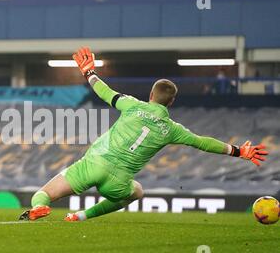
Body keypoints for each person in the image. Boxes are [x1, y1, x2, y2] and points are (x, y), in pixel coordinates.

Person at [19, 47, 269, 222]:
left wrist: (89, 73)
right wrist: (238, 151)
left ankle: (40, 208)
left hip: (93, 164)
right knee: (137, 191)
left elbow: (105, 92)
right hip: (117, 182)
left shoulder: (133, 105)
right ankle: (81, 216)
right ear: (171, 103)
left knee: (43, 194)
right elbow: (203, 143)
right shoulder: (173, 129)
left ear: (151, 96)